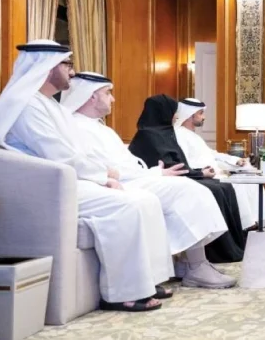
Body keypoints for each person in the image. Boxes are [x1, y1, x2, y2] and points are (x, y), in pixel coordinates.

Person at [0, 40, 168, 312]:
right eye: (67, 64)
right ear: (48, 67)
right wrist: (103, 177)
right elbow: (57, 154)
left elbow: (78, 152)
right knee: (126, 205)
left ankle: (146, 281)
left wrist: (102, 173)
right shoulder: (26, 105)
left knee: (145, 199)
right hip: (46, 189)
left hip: (69, 181)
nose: (72, 71)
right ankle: (122, 293)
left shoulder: (49, 105)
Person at [60, 72, 237, 289]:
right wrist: (155, 174)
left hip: (135, 177)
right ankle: (196, 266)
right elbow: (106, 170)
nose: (112, 99)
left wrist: (155, 172)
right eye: (108, 93)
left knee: (190, 188)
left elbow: (126, 163)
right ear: (92, 96)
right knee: (186, 190)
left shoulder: (100, 128)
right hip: (115, 184)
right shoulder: (75, 127)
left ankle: (190, 263)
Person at [128, 94, 246, 263]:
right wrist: (200, 174)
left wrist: (199, 173)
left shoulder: (165, 133)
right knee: (214, 189)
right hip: (164, 179)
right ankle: (218, 251)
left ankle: (234, 245)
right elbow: (171, 167)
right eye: (173, 112)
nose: (176, 116)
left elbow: (180, 162)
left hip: (181, 175)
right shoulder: (148, 135)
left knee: (224, 187)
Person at [174, 98, 265, 229]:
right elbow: (186, 162)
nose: (204, 117)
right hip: (204, 176)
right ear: (190, 115)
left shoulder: (194, 136)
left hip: (217, 173)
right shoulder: (179, 135)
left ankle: (261, 222)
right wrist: (208, 170)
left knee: (252, 181)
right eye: (200, 113)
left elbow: (213, 154)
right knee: (238, 185)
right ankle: (245, 227)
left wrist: (235, 160)